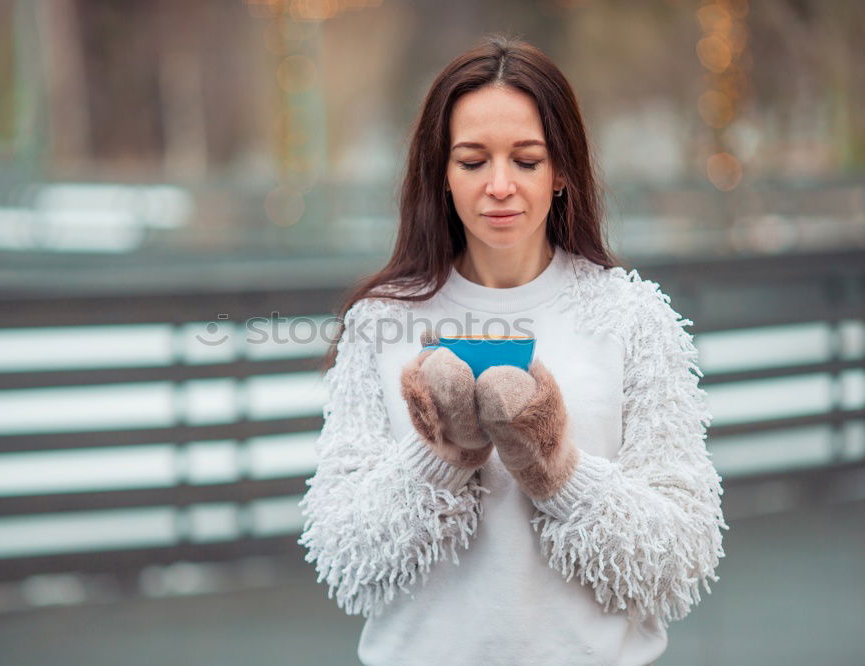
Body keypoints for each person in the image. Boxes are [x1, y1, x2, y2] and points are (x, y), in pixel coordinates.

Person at [297, 34, 728, 666]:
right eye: (472, 161)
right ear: (440, 174)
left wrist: (556, 468)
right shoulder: (381, 321)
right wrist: (443, 455)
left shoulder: (633, 317)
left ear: (561, 172)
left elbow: (682, 555)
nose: (500, 185)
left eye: (526, 160)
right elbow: (343, 554)